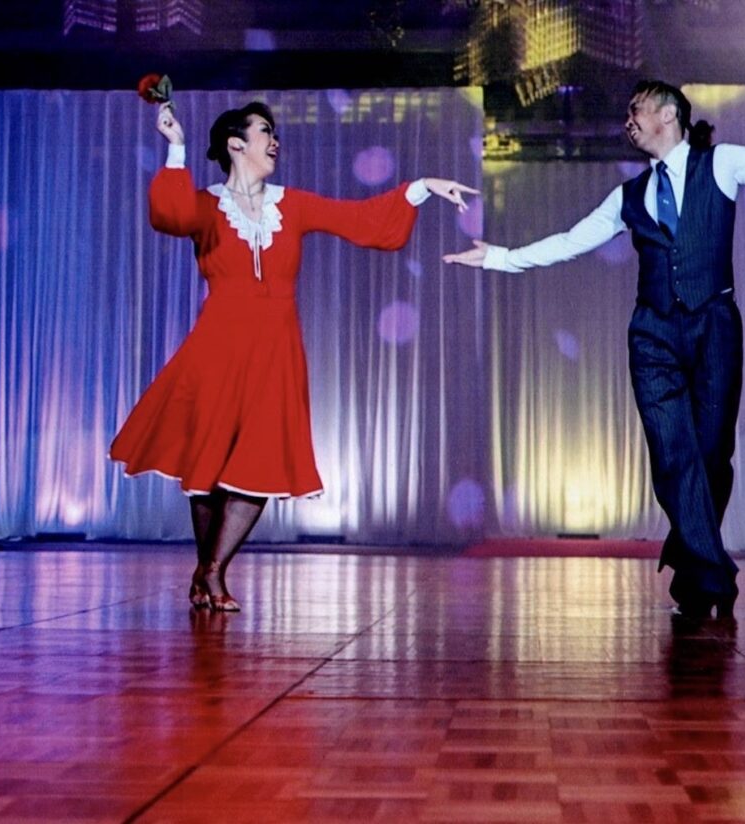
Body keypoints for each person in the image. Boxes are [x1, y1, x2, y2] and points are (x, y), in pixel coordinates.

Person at [444, 80, 745, 622]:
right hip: (652, 336)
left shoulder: (722, 163)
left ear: (668, 114)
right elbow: (570, 241)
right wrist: (499, 257)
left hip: (714, 327)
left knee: (712, 456)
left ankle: (692, 565)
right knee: (673, 457)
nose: (627, 120)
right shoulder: (629, 196)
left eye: (636, 109)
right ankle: (714, 574)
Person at [111, 99, 477, 612]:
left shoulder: (292, 204)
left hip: (275, 350)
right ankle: (206, 573)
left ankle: (211, 571)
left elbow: (362, 220)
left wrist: (422, 186)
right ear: (236, 144)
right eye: (265, 131)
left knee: (259, 461)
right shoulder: (208, 205)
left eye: (274, 131)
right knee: (208, 468)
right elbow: (169, 215)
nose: (275, 140)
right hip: (217, 347)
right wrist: (176, 147)